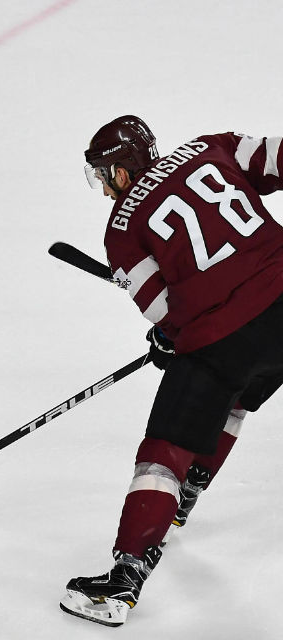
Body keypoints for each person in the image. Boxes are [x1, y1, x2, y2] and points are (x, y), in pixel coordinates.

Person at [62, 116, 283, 626]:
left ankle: (123, 581)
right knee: (241, 393)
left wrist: (169, 338)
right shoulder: (214, 147)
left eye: (105, 173)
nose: (105, 185)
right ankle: (190, 494)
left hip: (224, 337)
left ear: (121, 169)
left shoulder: (121, 227)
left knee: (165, 450)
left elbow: (164, 310)